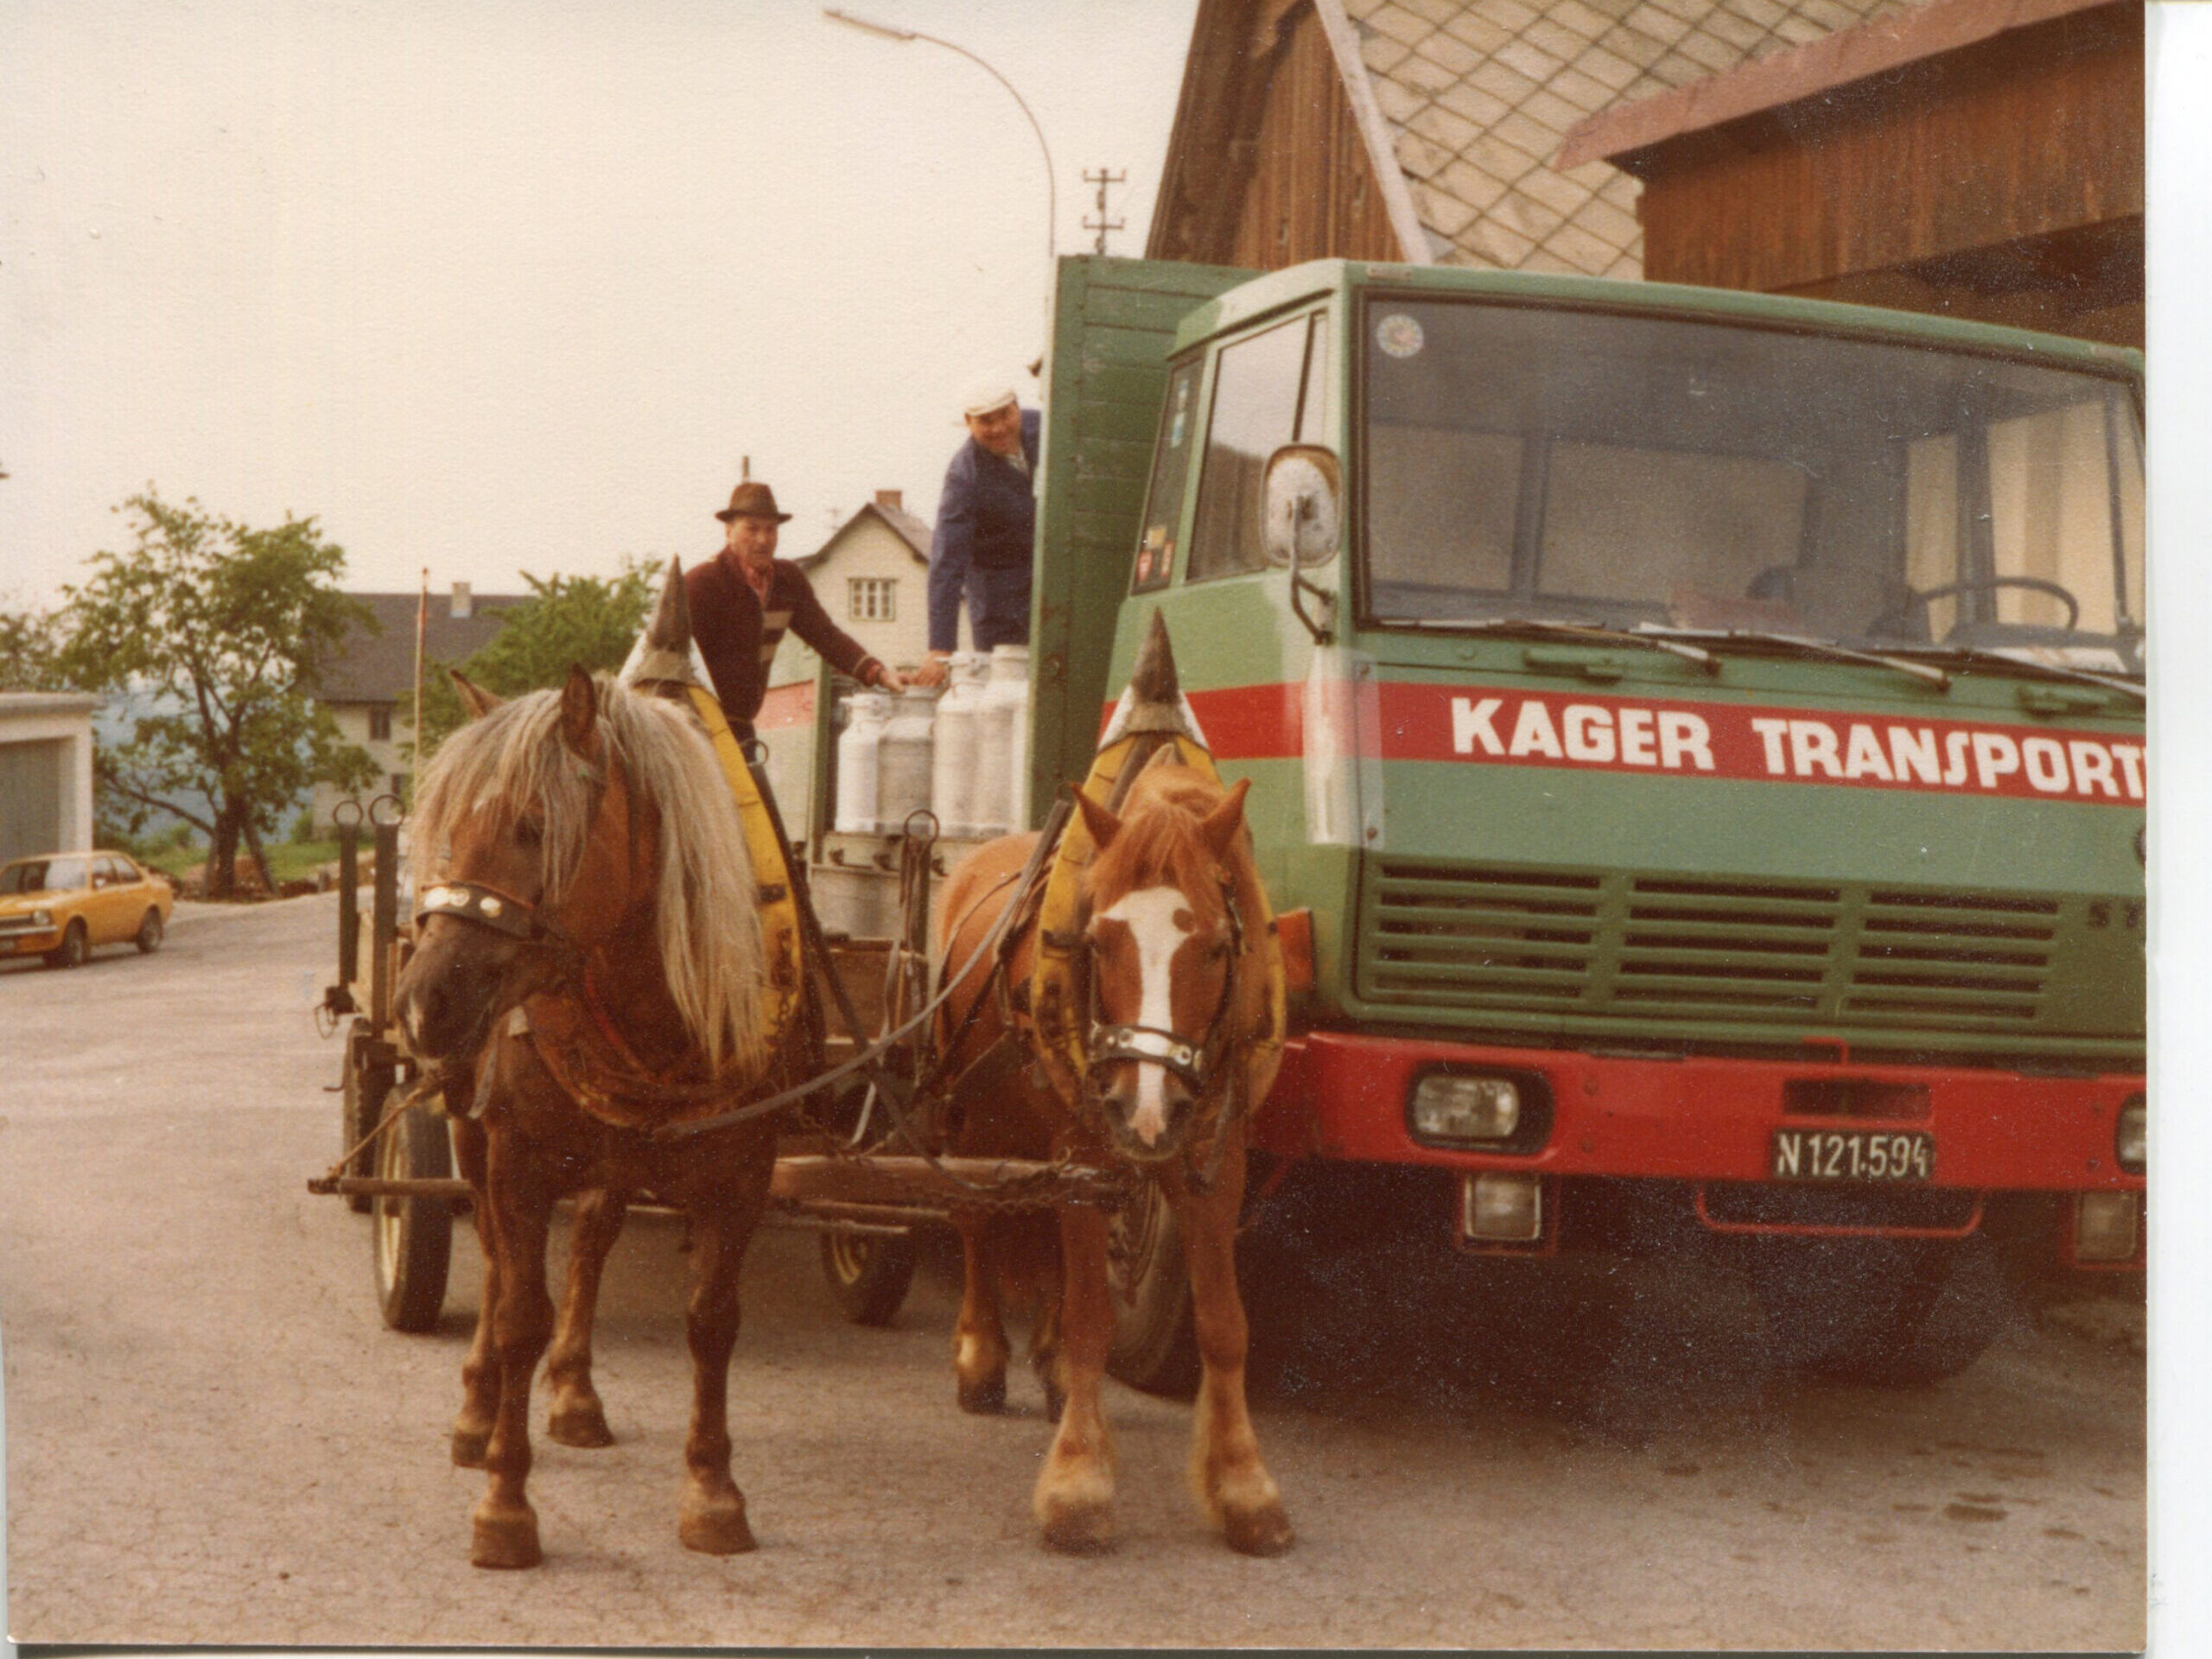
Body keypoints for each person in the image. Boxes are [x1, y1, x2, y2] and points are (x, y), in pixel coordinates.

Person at [684, 480, 905, 737]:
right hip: (696, 727)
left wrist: (878, 673)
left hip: (740, 726)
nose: (763, 540)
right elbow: (675, 660)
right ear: (729, 530)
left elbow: (826, 636)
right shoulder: (701, 584)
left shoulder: (788, 581)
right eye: (752, 529)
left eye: (771, 530)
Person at [914, 383, 1040, 689]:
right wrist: (940, 646)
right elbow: (947, 561)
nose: (998, 428)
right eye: (985, 421)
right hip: (1001, 600)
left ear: (1017, 407)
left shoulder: (1047, 428)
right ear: (968, 421)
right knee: (1008, 689)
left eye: (1004, 415)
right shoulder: (963, 476)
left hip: (1053, 579)